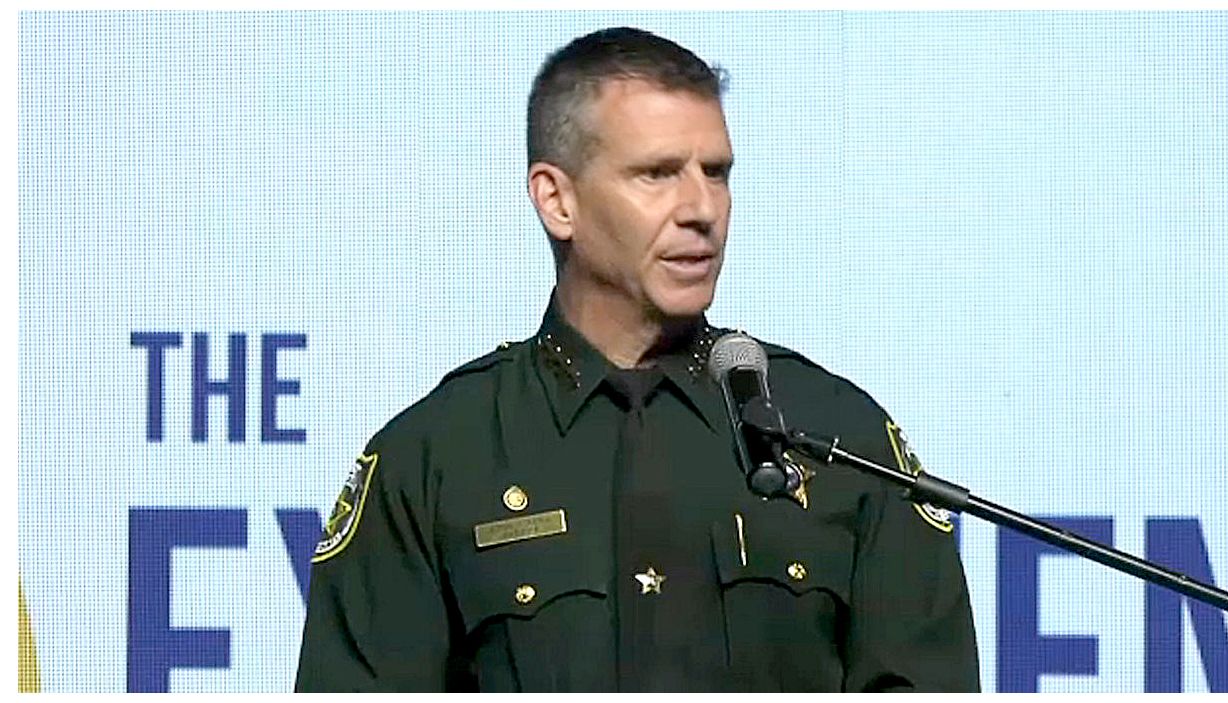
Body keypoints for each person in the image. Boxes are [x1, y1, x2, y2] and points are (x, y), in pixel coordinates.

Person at [294, 26, 980, 692]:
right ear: (557, 200)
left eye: (717, 173)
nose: (702, 209)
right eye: (657, 174)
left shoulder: (839, 437)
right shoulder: (435, 458)